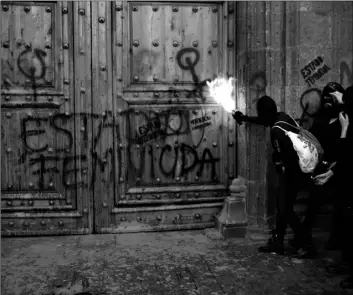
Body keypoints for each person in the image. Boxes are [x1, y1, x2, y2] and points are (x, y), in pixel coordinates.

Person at [233, 96, 311, 254]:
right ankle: (278, 242)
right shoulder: (283, 117)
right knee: (282, 206)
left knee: (285, 209)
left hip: (292, 174)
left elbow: (285, 157)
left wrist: (277, 161)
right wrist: (245, 118)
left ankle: (307, 243)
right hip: (299, 172)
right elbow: (264, 120)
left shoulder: (276, 131)